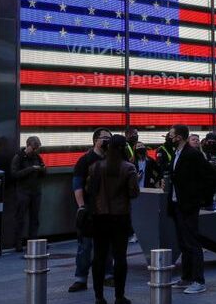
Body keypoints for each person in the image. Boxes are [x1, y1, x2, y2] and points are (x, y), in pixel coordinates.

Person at [86, 134, 139, 304]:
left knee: (99, 256)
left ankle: (99, 296)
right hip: (120, 216)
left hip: (99, 216)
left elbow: (90, 190)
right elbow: (133, 193)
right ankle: (119, 296)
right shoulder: (128, 168)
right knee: (120, 256)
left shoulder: (95, 167)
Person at [168, 125, 214, 294]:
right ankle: (186, 276)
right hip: (177, 203)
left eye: (171, 135)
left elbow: (208, 175)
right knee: (183, 242)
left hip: (188, 204)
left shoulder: (192, 154)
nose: (169, 138)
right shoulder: (176, 153)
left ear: (179, 137)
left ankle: (198, 280)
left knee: (192, 242)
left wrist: (198, 198)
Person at [69, 128, 112, 293]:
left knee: (107, 244)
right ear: (95, 140)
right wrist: (81, 206)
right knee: (85, 246)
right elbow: (77, 184)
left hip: (107, 209)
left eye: (109, 138)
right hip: (89, 208)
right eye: (104, 138)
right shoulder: (85, 160)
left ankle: (108, 275)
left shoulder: (112, 159)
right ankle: (80, 278)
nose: (107, 141)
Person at [11, 136, 46, 252]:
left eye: (37, 148)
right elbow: (14, 174)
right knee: (20, 218)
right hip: (23, 191)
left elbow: (44, 172)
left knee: (34, 218)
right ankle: (18, 243)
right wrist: (31, 169)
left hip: (36, 191)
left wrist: (42, 169)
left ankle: (33, 241)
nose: (35, 151)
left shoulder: (37, 157)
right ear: (28, 145)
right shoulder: (19, 157)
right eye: (34, 148)